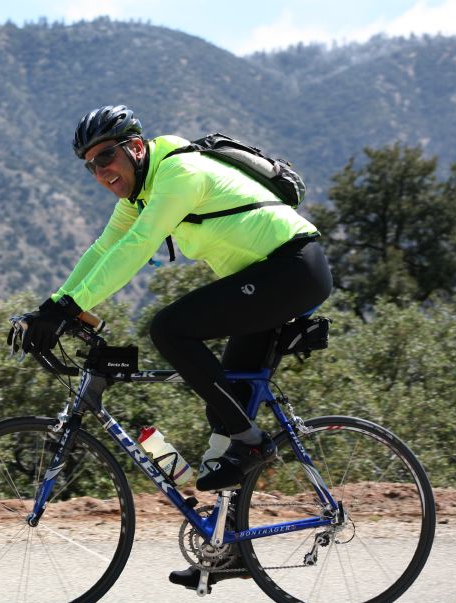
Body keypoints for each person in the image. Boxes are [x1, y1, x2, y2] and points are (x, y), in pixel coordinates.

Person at [19, 105, 333, 588]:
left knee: (169, 330)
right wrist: (56, 304)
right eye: (90, 165)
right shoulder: (141, 194)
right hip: (264, 279)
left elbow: (139, 245)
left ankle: (253, 446)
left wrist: (70, 307)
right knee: (224, 410)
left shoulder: (178, 173)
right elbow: (104, 248)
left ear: (136, 148)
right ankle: (231, 549)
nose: (101, 172)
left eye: (107, 157)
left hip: (292, 269)